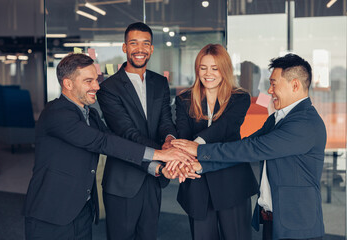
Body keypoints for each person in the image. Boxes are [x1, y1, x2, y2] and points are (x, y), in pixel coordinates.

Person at [23, 53, 191, 240]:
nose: (97, 86)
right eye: (89, 81)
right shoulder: (55, 113)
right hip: (51, 213)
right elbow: (102, 142)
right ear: (68, 84)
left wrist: (158, 168)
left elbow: (117, 149)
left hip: (81, 210)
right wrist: (161, 154)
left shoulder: (92, 115)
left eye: (96, 79)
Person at [172, 53, 326, 240]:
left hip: (298, 225)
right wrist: (202, 165)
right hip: (273, 219)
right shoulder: (278, 119)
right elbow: (242, 148)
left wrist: (198, 150)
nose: (269, 90)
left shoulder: (304, 123)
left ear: (295, 85)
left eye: (274, 84)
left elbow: (253, 149)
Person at [96, 22, 183, 240]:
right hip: (123, 181)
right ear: (124, 48)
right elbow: (127, 133)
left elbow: (165, 120)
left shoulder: (160, 82)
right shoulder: (108, 88)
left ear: (152, 49)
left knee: (148, 235)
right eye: (133, 43)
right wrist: (168, 154)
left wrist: (170, 140)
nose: (140, 49)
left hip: (153, 179)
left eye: (145, 43)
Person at [175, 44, 258, 240]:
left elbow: (226, 127)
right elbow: (182, 134)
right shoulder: (184, 100)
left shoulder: (239, 98)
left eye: (215, 68)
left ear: (225, 69)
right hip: (196, 182)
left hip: (232, 182)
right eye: (203, 67)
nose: (208, 73)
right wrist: (184, 159)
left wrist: (196, 145)